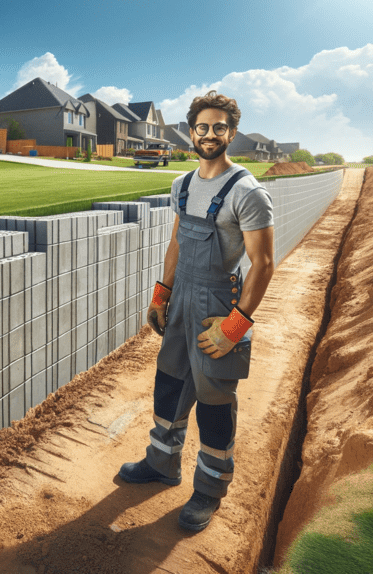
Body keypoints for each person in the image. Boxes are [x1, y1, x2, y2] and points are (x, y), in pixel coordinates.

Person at [118, 91, 275, 532]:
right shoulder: (182, 185)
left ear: (231, 132)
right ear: (191, 132)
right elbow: (176, 242)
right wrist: (160, 294)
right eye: (202, 127)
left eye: (219, 127)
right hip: (182, 296)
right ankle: (161, 462)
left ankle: (209, 489)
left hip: (217, 305)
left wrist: (233, 327)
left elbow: (263, 264)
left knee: (213, 398)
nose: (210, 134)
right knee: (170, 382)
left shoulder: (247, 192)